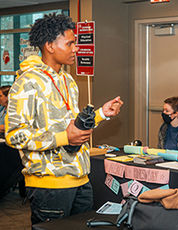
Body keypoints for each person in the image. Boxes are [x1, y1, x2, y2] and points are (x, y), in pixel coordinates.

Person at [5, 14, 123, 224]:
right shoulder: (27, 82)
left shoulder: (68, 80)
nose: (76, 48)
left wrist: (101, 114)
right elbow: (15, 136)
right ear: (50, 45)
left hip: (81, 179)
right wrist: (64, 138)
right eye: (70, 43)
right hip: (49, 185)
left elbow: (72, 126)